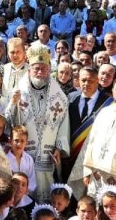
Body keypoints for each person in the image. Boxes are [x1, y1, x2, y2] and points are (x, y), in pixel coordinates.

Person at [5, 42, 71, 195]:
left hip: (48, 155)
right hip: (24, 153)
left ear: (49, 70)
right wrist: (13, 104)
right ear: (30, 70)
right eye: (36, 68)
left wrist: (59, 148)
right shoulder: (18, 92)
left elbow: (63, 124)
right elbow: (9, 121)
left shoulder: (59, 96)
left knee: (47, 191)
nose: (40, 72)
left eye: (44, 69)